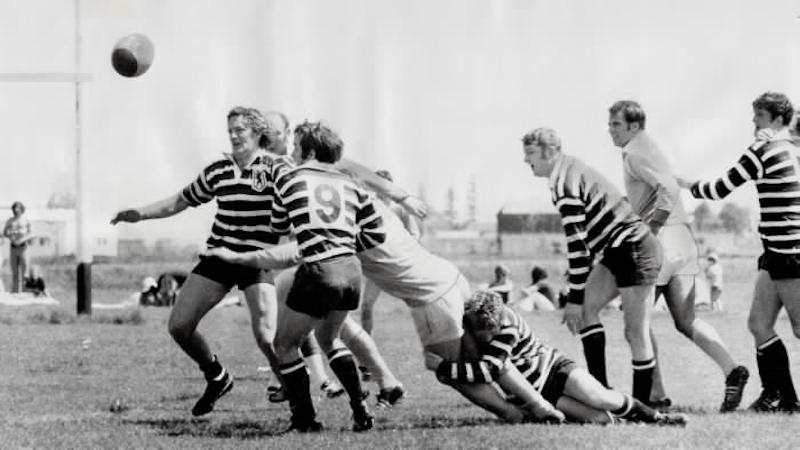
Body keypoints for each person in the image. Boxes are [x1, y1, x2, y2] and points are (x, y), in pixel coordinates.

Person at [205, 184, 548, 424]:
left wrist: (239, 257)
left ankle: (514, 415)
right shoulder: (378, 207)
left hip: (430, 298)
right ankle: (539, 404)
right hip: (450, 276)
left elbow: (300, 252)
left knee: (452, 372)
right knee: (484, 359)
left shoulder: (343, 220)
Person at [110, 107, 293, 417]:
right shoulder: (219, 170)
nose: (234, 135)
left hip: (256, 258)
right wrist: (140, 213)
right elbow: (180, 200)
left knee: (266, 335)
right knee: (179, 326)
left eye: (240, 130)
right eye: (230, 130)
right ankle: (217, 376)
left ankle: (294, 394)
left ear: (257, 133)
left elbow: (299, 206)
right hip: (219, 256)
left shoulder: (276, 168)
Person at [608, 100, 748, 412]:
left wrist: (651, 227)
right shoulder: (650, 148)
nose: (610, 131)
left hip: (662, 242)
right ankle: (732, 369)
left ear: (633, 126)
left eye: (616, 125)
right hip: (683, 239)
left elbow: (668, 189)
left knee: (636, 323)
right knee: (687, 320)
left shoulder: (634, 152)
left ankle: (654, 395)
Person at [676, 91, 800, 413]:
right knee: (759, 324)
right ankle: (780, 397)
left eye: (758, 117)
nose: (753, 123)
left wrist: (687, 184)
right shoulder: (793, 148)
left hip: (790, 250)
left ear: (775, 119)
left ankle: (783, 397)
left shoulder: (763, 148)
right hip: (776, 250)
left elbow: (720, 189)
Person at [521, 127, 661, 404]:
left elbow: (577, 247)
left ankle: (641, 407)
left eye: (530, 153)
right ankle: (603, 394)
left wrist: (572, 298)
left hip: (635, 249)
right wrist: (577, 299)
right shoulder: (568, 169)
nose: (526, 160)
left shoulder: (564, 182)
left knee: (635, 332)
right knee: (587, 312)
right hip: (617, 250)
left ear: (550, 152)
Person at [268, 121, 380, 432]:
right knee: (328, 338)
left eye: (296, 146)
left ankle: (304, 420)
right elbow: (376, 231)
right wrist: (342, 242)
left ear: (311, 150)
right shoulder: (353, 183)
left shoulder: (292, 179)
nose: (292, 152)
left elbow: (277, 227)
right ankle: (360, 409)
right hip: (350, 271)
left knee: (285, 344)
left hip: (318, 269)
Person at [433, 290, 686, 426]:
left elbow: (490, 370)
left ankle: (658, 418)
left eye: (490, 332)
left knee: (599, 397)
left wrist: (445, 369)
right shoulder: (476, 319)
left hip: (554, 368)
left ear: (497, 321)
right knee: (599, 419)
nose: (486, 338)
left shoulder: (507, 325)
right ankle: (632, 422)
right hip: (539, 392)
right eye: (481, 333)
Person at [4, 201, 32, 293]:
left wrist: (23, 238)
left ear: (22, 209)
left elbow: (31, 233)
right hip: (13, 248)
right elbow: (5, 232)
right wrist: (10, 233)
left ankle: (25, 292)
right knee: (15, 273)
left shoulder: (26, 220)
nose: (16, 209)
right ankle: (15, 292)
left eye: (18, 208)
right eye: (14, 208)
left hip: (23, 248)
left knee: (25, 273)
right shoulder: (10, 220)